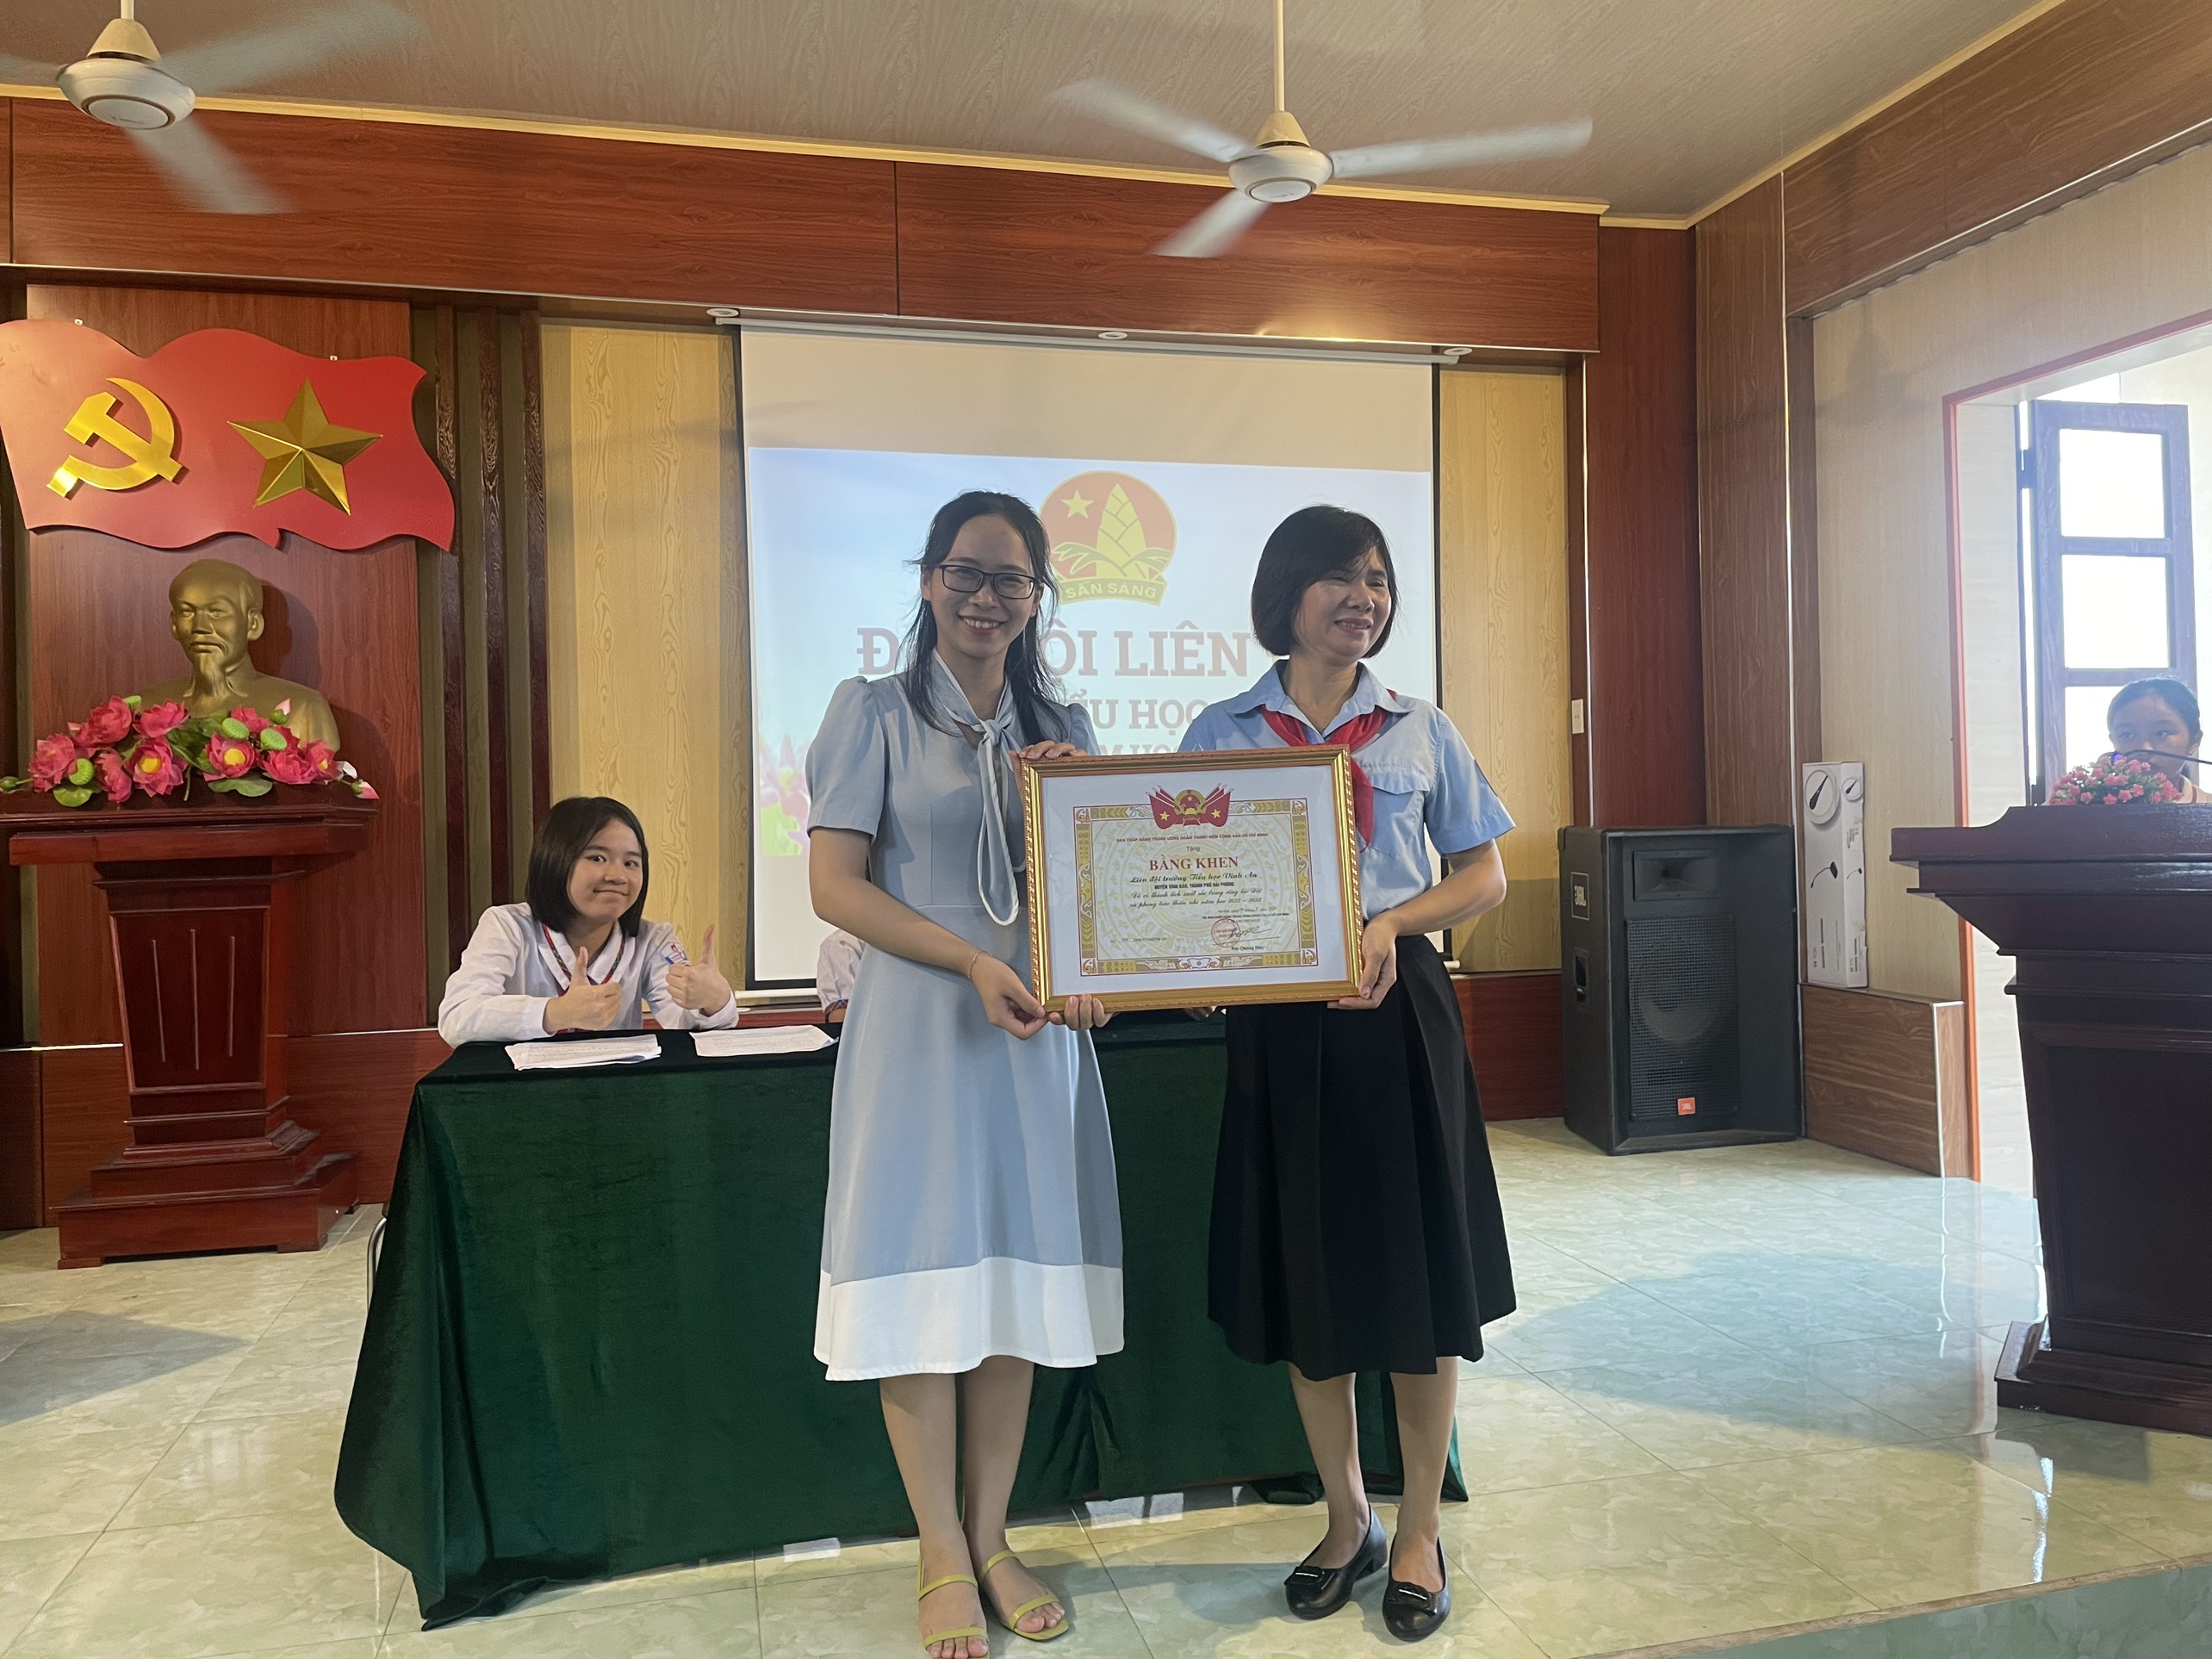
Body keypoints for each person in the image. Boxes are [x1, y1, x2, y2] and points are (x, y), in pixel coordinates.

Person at [1178, 505, 1517, 1643]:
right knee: (1307, 1275)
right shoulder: (1221, 730)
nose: (1363, 597)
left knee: (1419, 1281)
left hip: (1398, 1014)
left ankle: (1417, 1528)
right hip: (1279, 1029)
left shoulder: (1420, 727)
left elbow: (1483, 875)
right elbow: (1174, 879)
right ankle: (1346, 1517)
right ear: (1286, 593)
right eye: (1338, 577)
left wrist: (1391, 922)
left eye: (1376, 579)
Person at [805, 491, 1120, 1657]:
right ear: (930, 579)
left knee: (1010, 1294)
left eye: (1012, 580)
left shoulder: (1065, 727)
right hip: (920, 1034)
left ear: (1039, 597)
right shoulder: (874, 711)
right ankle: (939, 1546)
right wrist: (974, 961)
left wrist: (1090, 968)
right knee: (920, 1288)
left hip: (1032, 1038)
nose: (988, 597)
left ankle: (991, 1537)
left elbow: (1094, 899)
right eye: (967, 573)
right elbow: (835, 887)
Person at [437, 795, 737, 1044]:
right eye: (597, 858)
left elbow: (684, 1024)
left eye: (631, 862)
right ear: (556, 860)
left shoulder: (653, 940)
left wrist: (713, 999)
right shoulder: (507, 926)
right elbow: (457, 1018)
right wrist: (555, 1012)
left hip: (613, 1093)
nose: (618, 875)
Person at [2106, 676, 2207, 801]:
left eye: (2161, 733)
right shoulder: (2091, 808)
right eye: (2127, 735)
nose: (2145, 749)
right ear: (2113, 740)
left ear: (2194, 741)